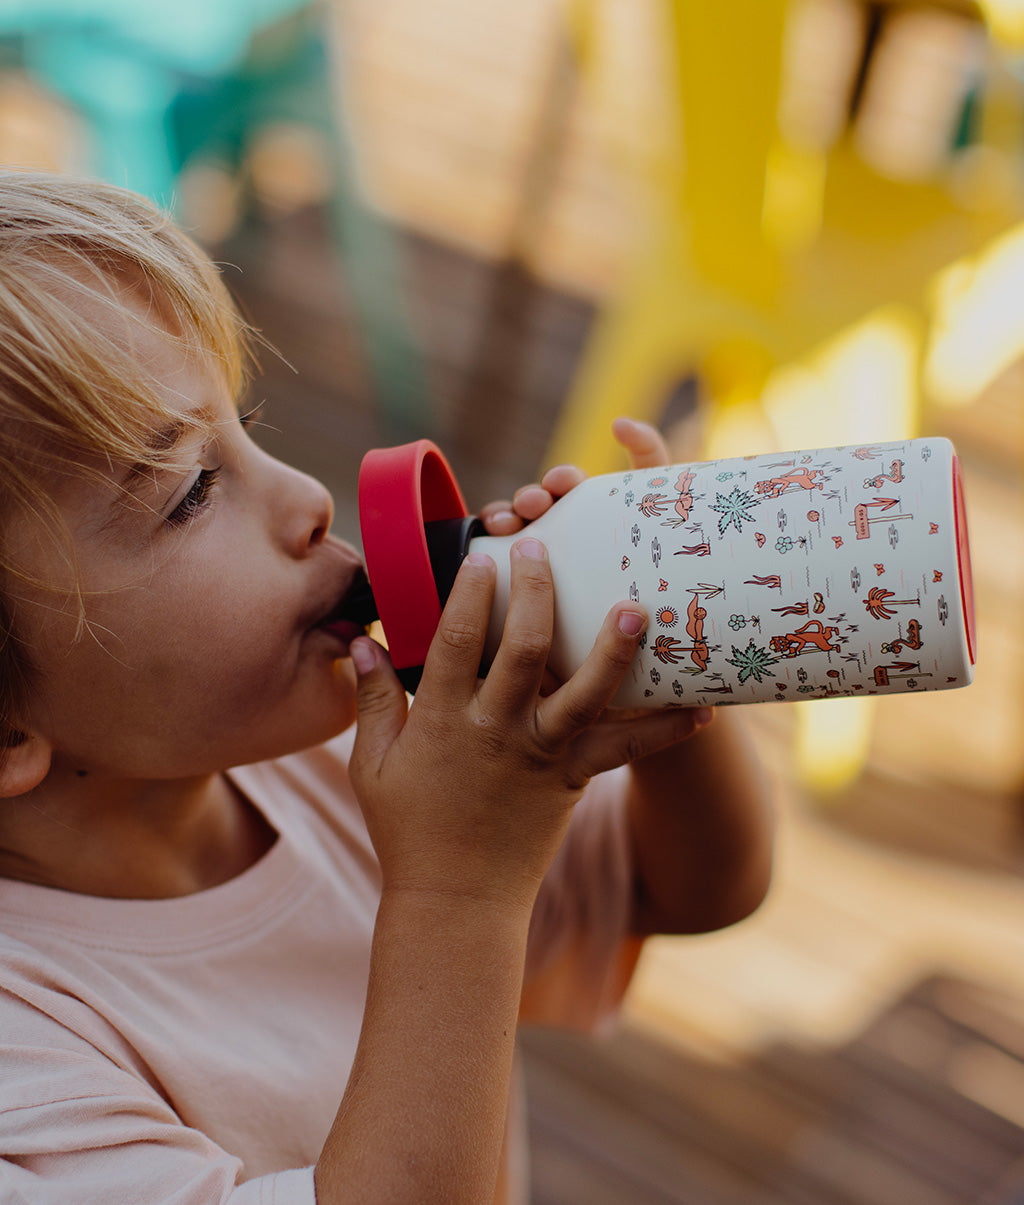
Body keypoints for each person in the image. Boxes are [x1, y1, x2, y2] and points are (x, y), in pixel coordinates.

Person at [0, 171, 773, 1205]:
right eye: (190, 491)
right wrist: (457, 888)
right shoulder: (27, 1069)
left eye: (245, 429)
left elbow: (684, 884)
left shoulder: (334, 755)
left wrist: (646, 655)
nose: (308, 496)